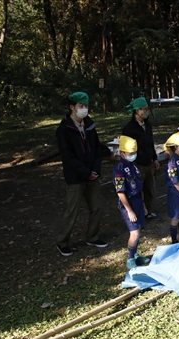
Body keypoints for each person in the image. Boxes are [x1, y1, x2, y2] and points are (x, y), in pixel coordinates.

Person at [55, 91, 108, 256]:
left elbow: (97, 149)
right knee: (73, 210)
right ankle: (62, 242)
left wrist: (95, 170)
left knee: (96, 207)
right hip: (76, 177)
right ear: (72, 107)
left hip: (92, 174)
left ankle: (92, 236)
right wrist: (85, 172)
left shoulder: (90, 125)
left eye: (86, 106)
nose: (84, 109)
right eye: (81, 106)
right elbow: (68, 156)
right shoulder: (64, 129)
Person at [113, 136, 150, 268]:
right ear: (122, 153)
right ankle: (130, 258)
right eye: (130, 153)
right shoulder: (119, 168)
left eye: (134, 153)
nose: (133, 155)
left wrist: (143, 204)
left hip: (138, 201)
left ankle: (135, 254)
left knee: (138, 229)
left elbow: (139, 186)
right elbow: (120, 192)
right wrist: (129, 210)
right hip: (128, 203)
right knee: (134, 233)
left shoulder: (133, 165)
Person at [122, 97, 161, 220]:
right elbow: (126, 148)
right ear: (137, 111)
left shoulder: (147, 124)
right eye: (143, 109)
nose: (146, 111)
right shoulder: (129, 128)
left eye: (146, 109)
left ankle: (149, 212)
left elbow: (150, 142)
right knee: (137, 190)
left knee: (149, 189)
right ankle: (138, 214)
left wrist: (154, 158)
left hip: (148, 162)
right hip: (136, 164)